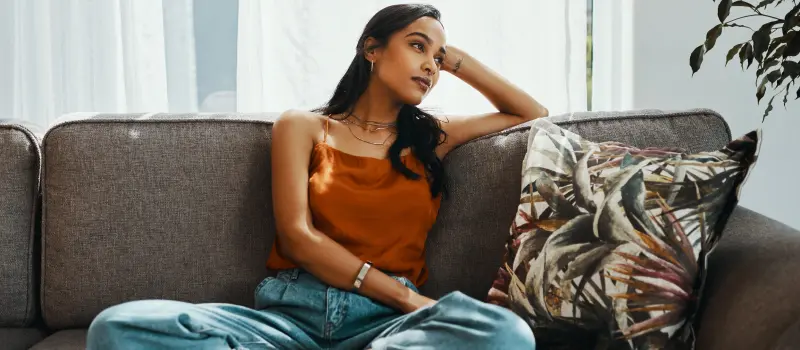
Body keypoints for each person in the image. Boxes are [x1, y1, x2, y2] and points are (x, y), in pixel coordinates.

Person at [86, 4, 548, 349]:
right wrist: (408, 300)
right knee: (118, 327)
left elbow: (531, 112)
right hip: (290, 319)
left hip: (387, 328)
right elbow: (298, 238)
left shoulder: (432, 139)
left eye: (439, 58)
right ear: (371, 48)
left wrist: (455, 58)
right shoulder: (303, 127)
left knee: (507, 333)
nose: (431, 65)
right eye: (416, 46)